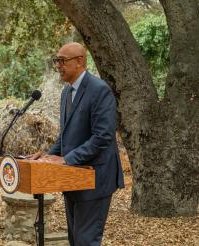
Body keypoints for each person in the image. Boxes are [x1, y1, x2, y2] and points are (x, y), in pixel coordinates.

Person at [27, 42, 124, 246]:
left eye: (62, 60)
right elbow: (66, 136)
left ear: (80, 61)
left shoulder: (100, 90)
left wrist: (66, 160)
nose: (58, 65)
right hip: (72, 180)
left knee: (86, 241)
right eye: (57, 60)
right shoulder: (66, 93)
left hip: (95, 179)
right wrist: (46, 157)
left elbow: (102, 136)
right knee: (75, 240)